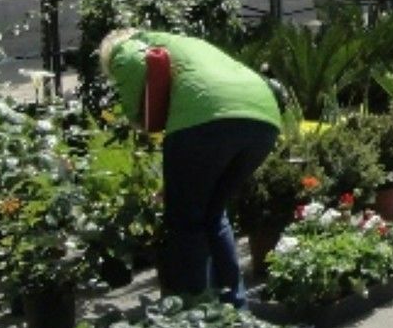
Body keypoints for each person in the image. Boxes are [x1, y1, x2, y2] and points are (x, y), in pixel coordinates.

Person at [99, 30, 283, 305]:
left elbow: (134, 67)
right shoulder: (183, 42)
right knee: (213, 213)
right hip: (262, 119)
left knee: (186, 219)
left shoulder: (124, 48)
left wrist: (136, 117)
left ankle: (199, 307)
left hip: (205, 120)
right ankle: (234, 307)